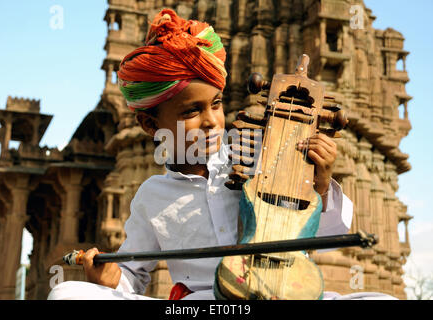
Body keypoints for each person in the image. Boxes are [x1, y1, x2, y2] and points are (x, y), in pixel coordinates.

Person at [48, 9, 395, 301]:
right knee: (68, 294)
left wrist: (319, 184)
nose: (212, 121)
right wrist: (110, 278)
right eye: (190, 112)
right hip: (209, 301)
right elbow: (132, 277)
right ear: (150, 123)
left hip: (289, 291)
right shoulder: (151, 197)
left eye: (216, 104)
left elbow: (329, 234)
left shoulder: (265, 154)